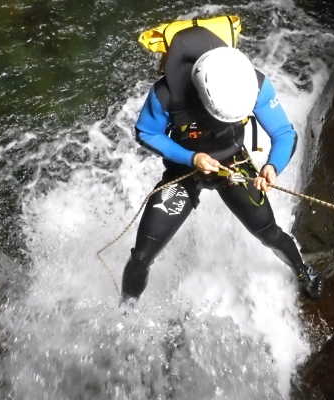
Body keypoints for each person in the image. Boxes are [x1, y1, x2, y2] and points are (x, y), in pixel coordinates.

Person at [122, 25, 322, 303]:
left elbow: (284, 133)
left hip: (233, 163)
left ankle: (302, 271)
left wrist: (272, 167)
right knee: (142, 255)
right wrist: (191, 158)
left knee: (269, 232)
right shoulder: (167, 93)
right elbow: (146, 132)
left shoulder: (252, 83)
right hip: (184, 170)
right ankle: (127, 307)